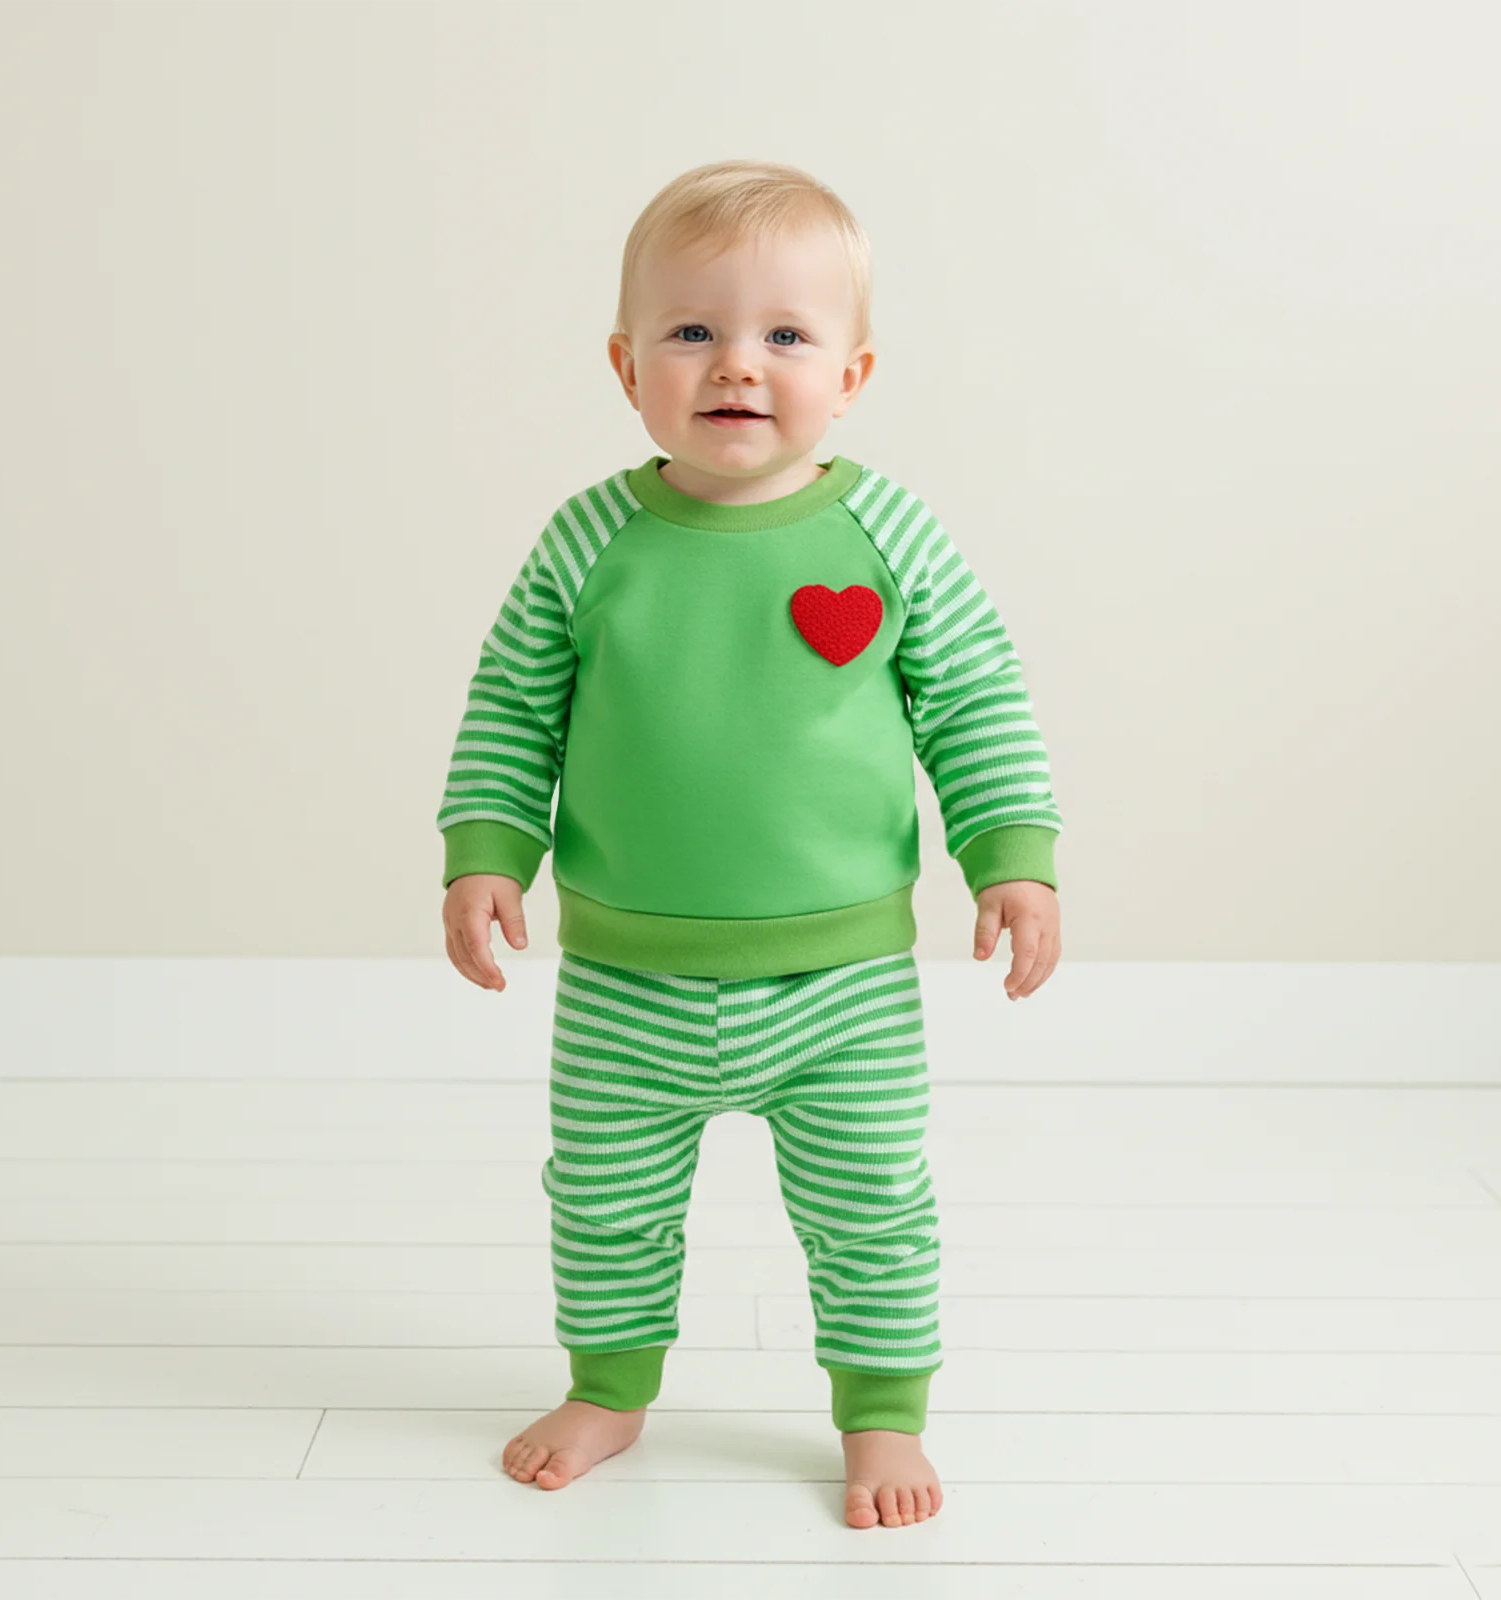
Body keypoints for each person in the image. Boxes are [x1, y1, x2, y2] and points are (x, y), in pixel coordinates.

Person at [436, 158, 1064, 1530]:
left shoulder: (887, 534)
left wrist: (1010, 851)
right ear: (625, 364)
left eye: (786, 335)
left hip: (840, 986)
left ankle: (882, 1413)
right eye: (692, 332)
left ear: (854, 370)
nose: (738, 365)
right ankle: (609, 1387)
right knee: (602, 1200)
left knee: (871, 1209)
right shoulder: (590, 541)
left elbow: (976, 695)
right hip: (625, 978)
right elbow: (513, 699)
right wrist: (487, 846)